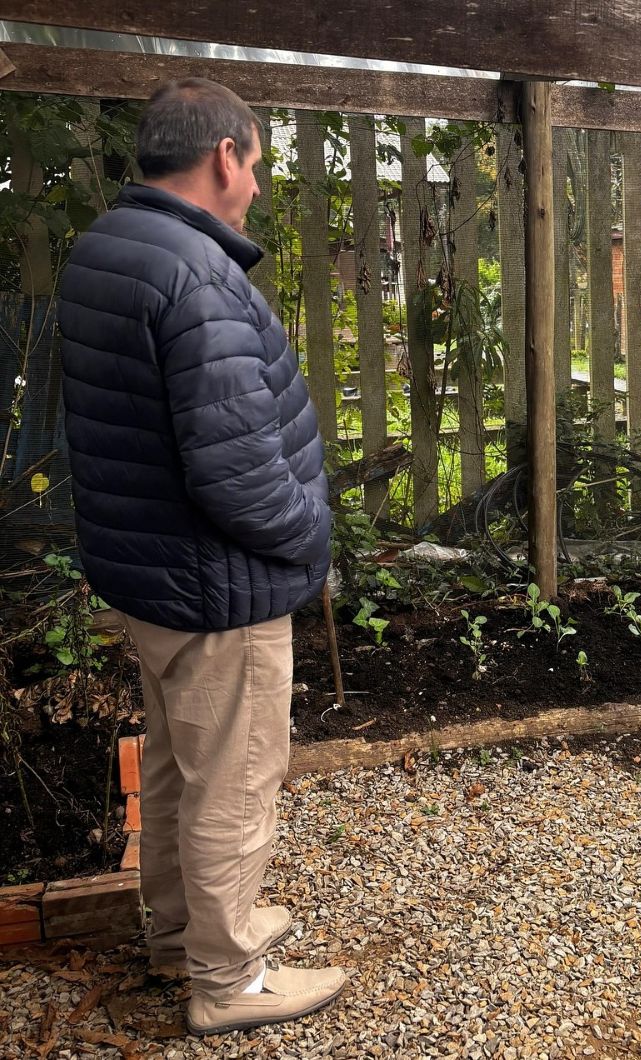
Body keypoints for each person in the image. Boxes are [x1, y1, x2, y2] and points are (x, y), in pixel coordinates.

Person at [58, 78, 346, 1032]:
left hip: (153, 575)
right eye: (255, 164)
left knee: (180, 763)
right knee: (235, 777)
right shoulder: (198, 276)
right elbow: (236, 475)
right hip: (218, 583)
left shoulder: (107, 247)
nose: (257, 186)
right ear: (225, 155)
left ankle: (180, 933)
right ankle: (228, 981)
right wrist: (310, 536)